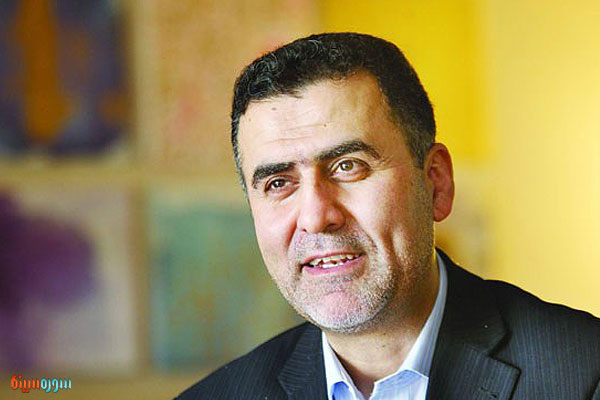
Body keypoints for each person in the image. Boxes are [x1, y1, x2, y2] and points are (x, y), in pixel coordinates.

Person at [177, 33, 600, 400]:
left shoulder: (584, 375)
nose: (316, 217)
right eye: (278, 183)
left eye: (348, 166)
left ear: (436, 183)